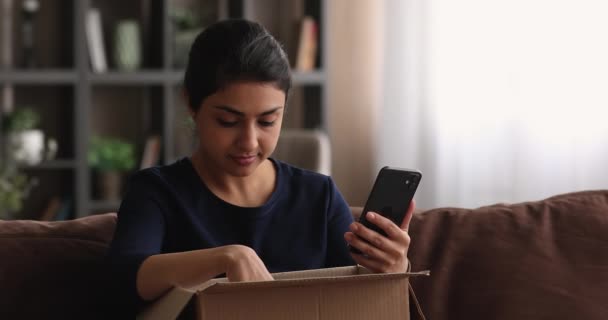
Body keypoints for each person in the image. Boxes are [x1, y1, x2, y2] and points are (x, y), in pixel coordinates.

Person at [106, 18, 414, 314]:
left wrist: (393, 270)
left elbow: (358, 301)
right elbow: (123, 279)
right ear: (191, 103)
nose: (249, 142)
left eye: (268, 120)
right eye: (228, 121)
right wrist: (227, 257)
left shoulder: (319, 196)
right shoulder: (157, 192)